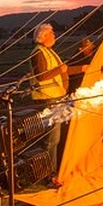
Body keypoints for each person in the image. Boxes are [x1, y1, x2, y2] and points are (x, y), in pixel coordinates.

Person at [28, 24, 68, 188]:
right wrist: (60, 69)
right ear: (43, 36)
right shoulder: (38, 52)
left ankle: (50, 173)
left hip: (55, 98)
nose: (54, 36)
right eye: (51, 33)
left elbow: (61, 71)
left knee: (54, 140)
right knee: (51, 140)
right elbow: (42, 76)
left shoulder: (49, 52)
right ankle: (47, 176)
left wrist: (83, 68)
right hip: (46, 99)